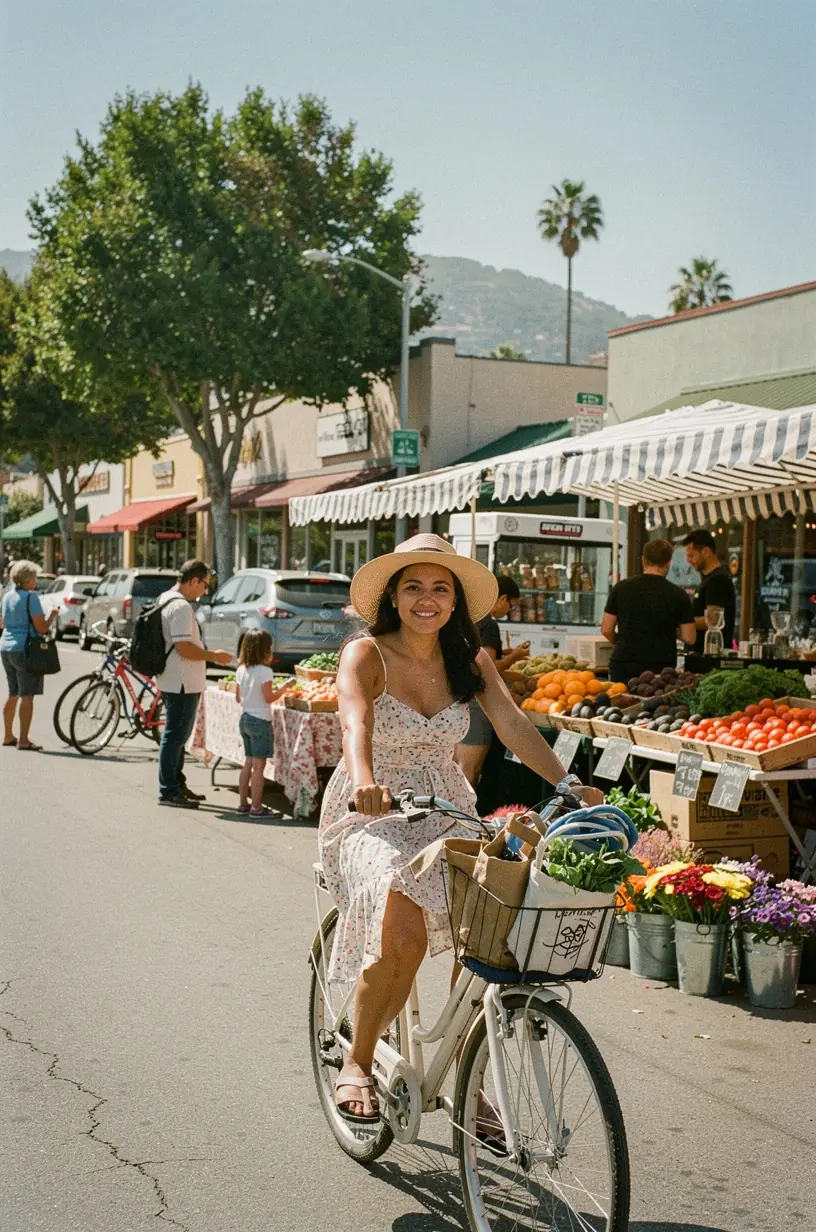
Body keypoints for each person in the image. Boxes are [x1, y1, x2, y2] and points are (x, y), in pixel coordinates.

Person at [318, 533, 601, 1123]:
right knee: (403, 940)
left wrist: (567, 786)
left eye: (440, 589)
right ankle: (358, 1063)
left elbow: (513, 724)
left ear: (455, 601)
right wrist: (366, 779)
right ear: (393, 597)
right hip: (375, 808)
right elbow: (355, 723)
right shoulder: (365, 654)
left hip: (446, 804)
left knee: (485, 937)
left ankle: (463, 1076)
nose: (427, 599)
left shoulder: (469, 659)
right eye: (414, 587)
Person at [155, 560, 232, 809]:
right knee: (175, 736)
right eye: (205, 585)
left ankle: (177, 783)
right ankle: (169, 789)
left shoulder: (165, 598)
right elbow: (184, 646)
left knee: (176, 735)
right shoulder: (181, 608)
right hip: (182, 681)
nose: (205, 591)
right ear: (193, 581)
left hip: (173, 678)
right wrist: (213, 656)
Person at [455, 575, 531, 784]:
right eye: (511, 605)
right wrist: (516, 656)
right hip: (477, 701)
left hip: (458, 696)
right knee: (470, 768)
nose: (509, 611)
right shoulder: (489, 625)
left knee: (455, 765)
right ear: (501, 598)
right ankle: (461, 814)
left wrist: (516, 672)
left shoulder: (466, 619)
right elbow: (486, 668)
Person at [601, 539, 697, 683]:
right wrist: (667, 630)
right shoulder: (678, 594)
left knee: (621, 703)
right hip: (660, 669)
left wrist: (622, 640)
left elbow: (606, 629)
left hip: (623, 663)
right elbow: (690, 637)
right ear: (668, 563)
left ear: (643, 560)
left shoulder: (621, 588)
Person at [1, 559, 57, 751]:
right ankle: (24, 740)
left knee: (13, 692)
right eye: (34, 576)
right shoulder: (31, 597)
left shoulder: (7, 596)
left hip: (7, 646)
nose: (36, 580)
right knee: (27, 695)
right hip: (25, 648)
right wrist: (52, 617)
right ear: (27, 579)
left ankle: (8, 735)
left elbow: (3, 622)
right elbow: (41, 628)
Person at [235, 628, 287, 818]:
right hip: (260, 720)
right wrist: (282, 690)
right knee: (259, 767)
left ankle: (243, 804)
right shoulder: (265, 671)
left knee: (247, 763)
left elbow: (238, 698)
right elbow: (268, 698)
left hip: (245, 718)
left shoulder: (241, 669)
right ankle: (257, 807)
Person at [683, 530, 737, 653]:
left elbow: (713, 619)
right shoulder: (709, 578)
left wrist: (682, 623)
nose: (688, 561)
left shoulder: (717, 580)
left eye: (691, 555)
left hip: (710, 655)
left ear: (706, 552)